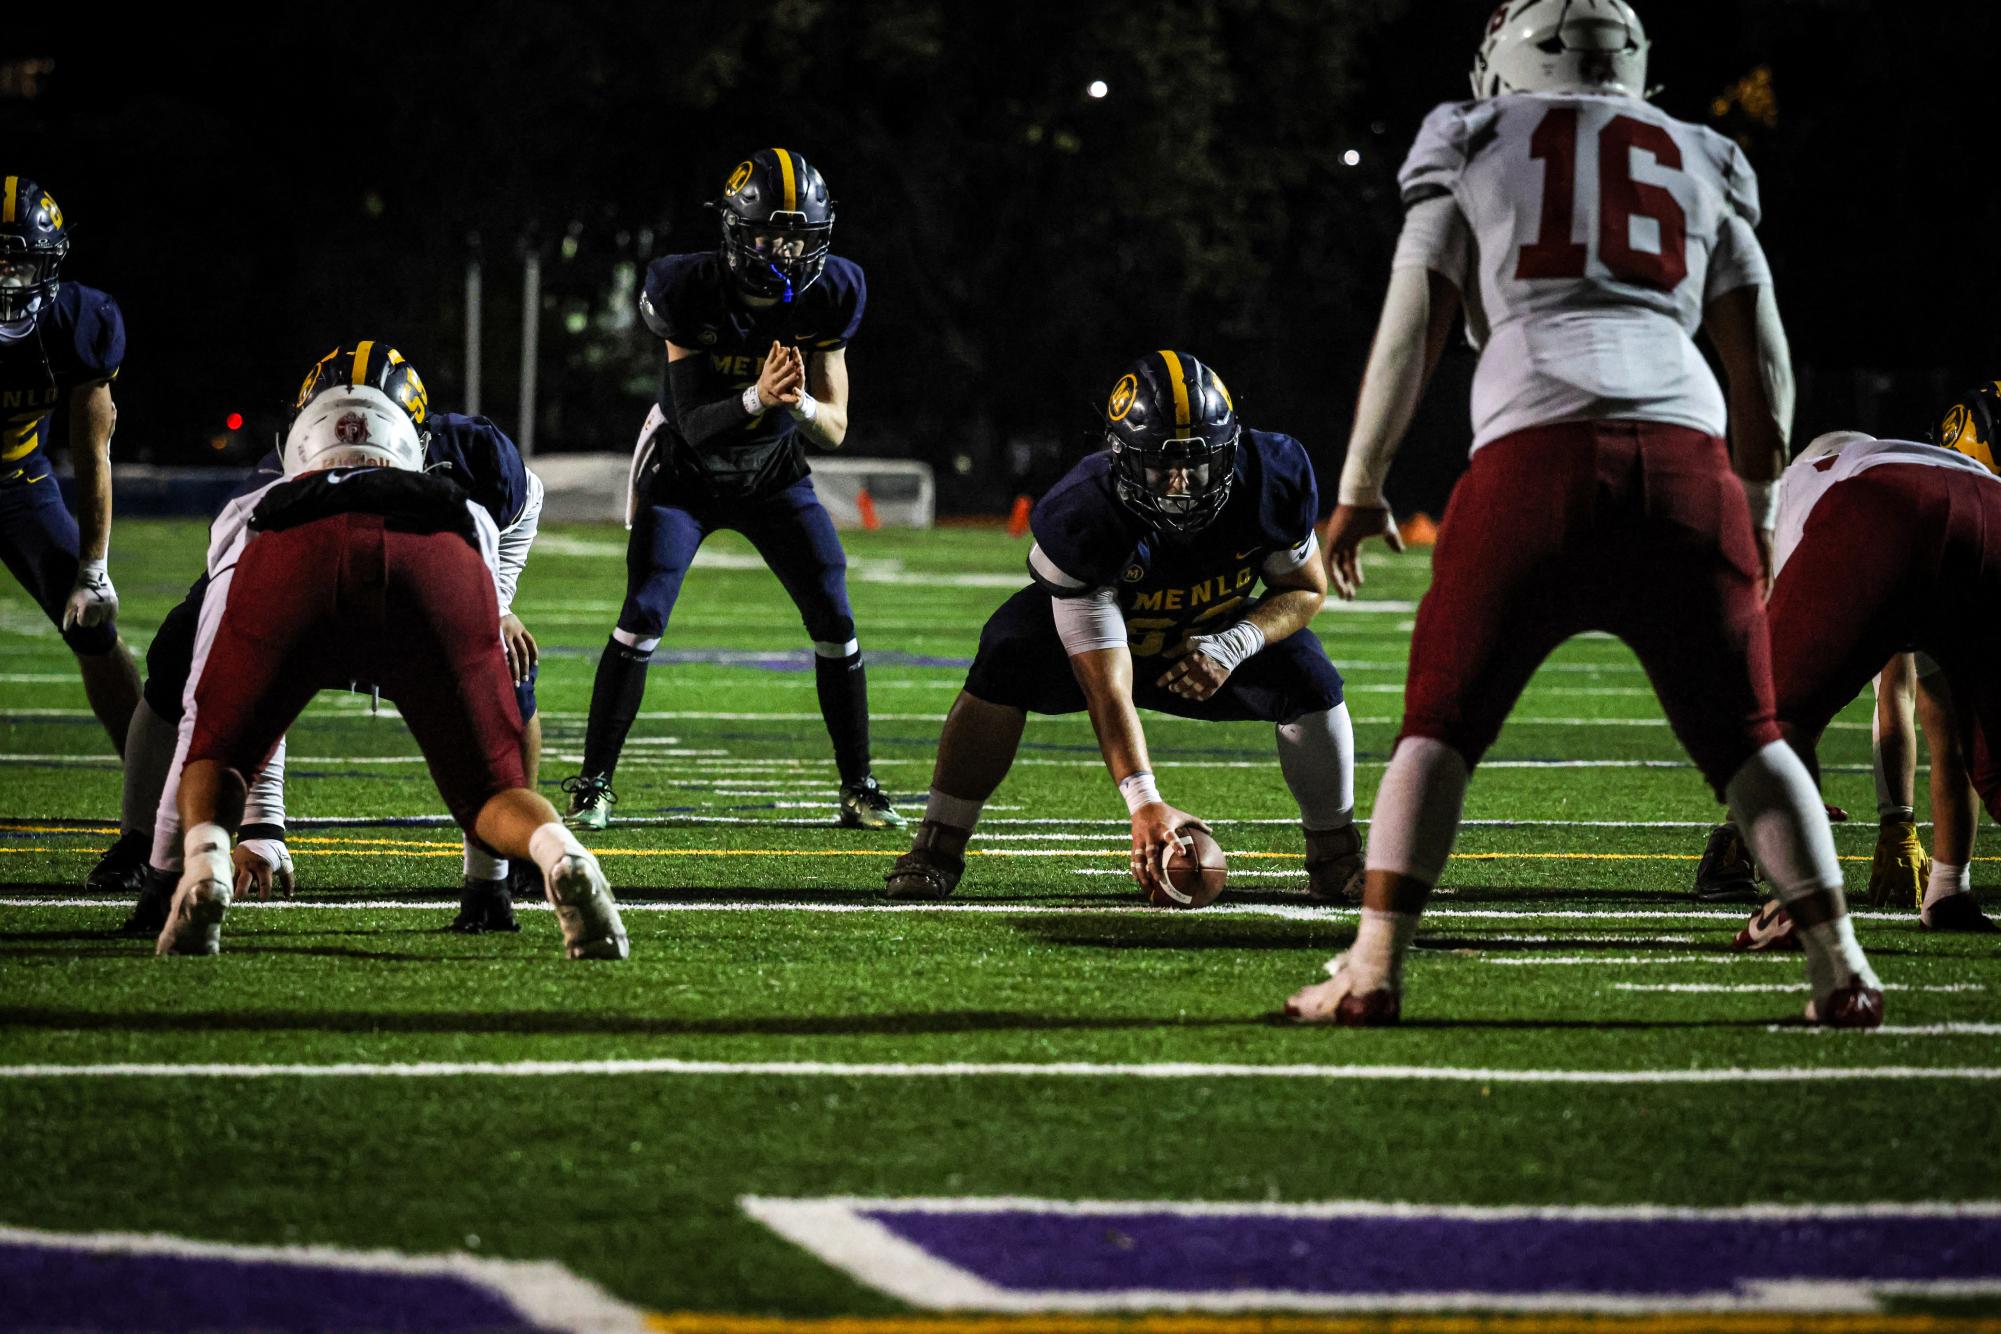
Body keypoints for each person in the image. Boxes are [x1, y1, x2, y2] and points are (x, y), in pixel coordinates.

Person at [1285, 0, 1884, 1027]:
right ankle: (1841, 967)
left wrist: (1361, 484)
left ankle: (1373, 966)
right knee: (1751, 735)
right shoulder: (1700, 152)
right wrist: (1759, 506)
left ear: (1505, 63)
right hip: (1687, 456)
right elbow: (1764, 357)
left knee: (1439, 724)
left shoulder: (1471, 135)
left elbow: (1413, 314)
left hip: (1534, 449)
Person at [154, 374, 623, 959]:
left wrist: (194, 859)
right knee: (490, 791)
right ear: (413, 444)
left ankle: (203, 868)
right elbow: (482, 577)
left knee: (218, 749)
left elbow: (223, 690)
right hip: (431, 558)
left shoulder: (256, 498)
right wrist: (488, 890)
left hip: (294, 554)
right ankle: (559, 853)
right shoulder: (466, 490)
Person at [885, 352, 1361, 904]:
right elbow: (1108, 687)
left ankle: (1335, 855)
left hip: (1205, 642)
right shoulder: (1085, 513)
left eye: (1199, 465)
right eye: (1163, 468)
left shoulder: (1270, 475)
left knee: (1308, 672)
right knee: (1008, 649)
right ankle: (937, 843)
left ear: (1228, 452)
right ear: (1124, 461)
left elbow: (1304, 588)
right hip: (1107, 649)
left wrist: (1237, 643)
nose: (1182, 485)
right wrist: (1145, 802)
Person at [563, 147, 900, 832]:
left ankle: (858, 787)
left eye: (800, 238)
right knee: (644, 614)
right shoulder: (684, 286)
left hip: (772, 470)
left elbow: (831, 430)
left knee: (834, 616)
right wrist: (756, 394)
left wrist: (796, 404)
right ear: (735, 233)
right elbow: (693, 425)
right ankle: (593, 783)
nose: (786, 252)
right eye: (772, 236)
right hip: (684, 471)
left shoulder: (834, 291)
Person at [1735, 393, 2001, 947]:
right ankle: (1950, 891)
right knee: (1983, 748)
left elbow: (1854, 691)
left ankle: (1796, 903)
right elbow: (1931, 711)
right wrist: (1896, 822)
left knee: (1772, 715)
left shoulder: (1802, 492)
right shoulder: (1951, 468)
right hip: (1991, 515)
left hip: (1880, 506)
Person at [0, 174, 141, 764]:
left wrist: (95, 566)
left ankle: (152, 798)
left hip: (17, 483)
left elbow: (92, 452)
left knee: (93, 630)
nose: (4, 280)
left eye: (17, 265)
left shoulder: (78, 322)